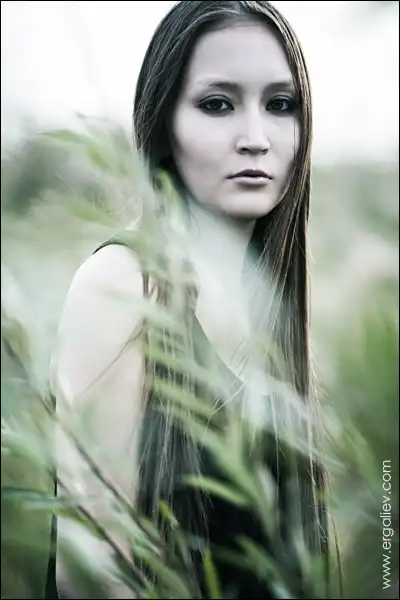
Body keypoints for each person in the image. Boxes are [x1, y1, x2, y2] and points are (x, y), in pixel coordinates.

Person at [46, 1, 332, 598]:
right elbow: (92, 578)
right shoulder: (122, 285)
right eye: (218, 104)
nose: (255, 139)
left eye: (280, 104)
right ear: (164, 126)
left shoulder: (277, 312)